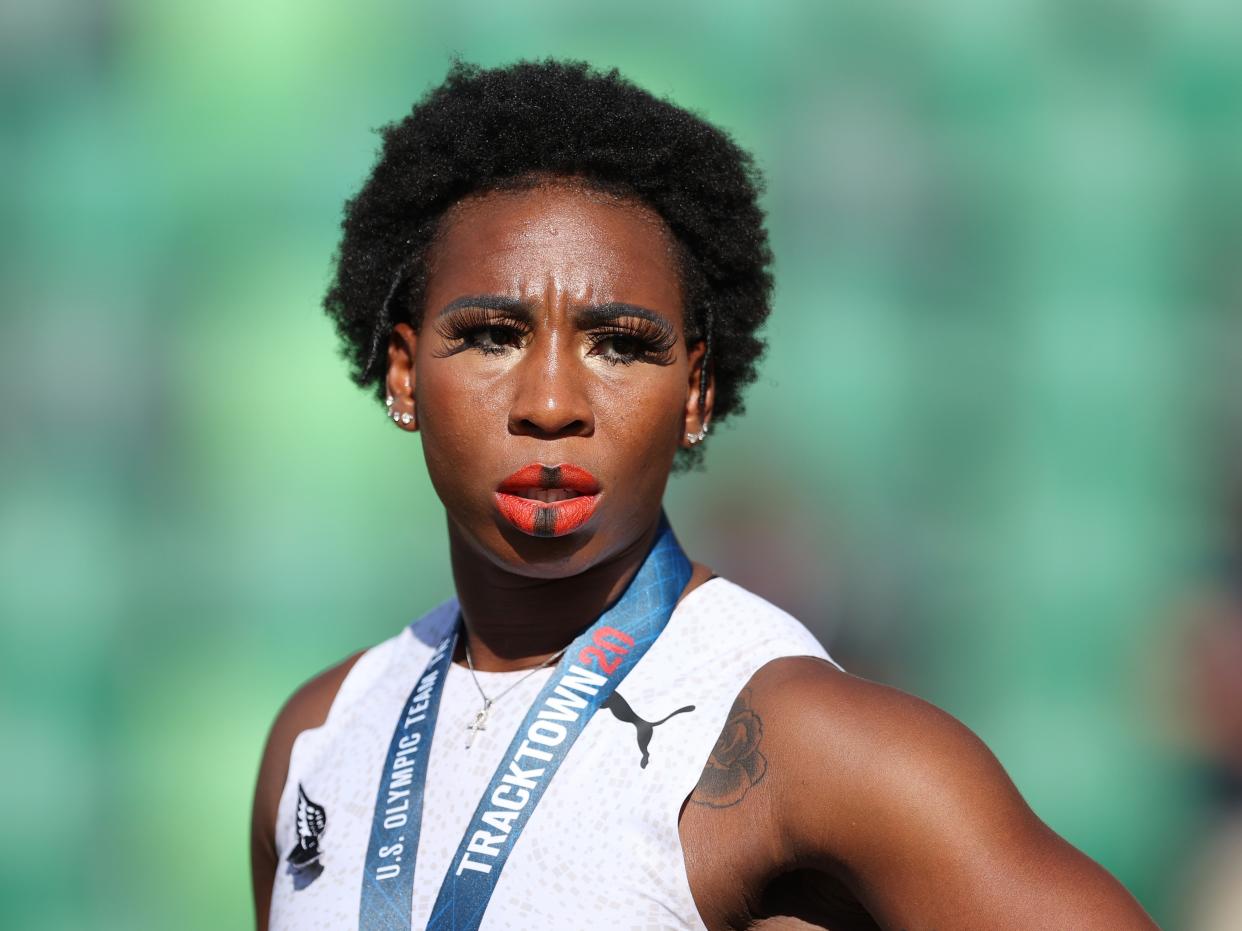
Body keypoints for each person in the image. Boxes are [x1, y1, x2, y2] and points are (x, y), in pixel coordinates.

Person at [250, 59, 1158, 930]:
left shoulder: (818, 747)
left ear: (697, 395)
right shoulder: (321, 738)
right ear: (404, 374)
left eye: (621, 343)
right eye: (492, 335)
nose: (553, 404)